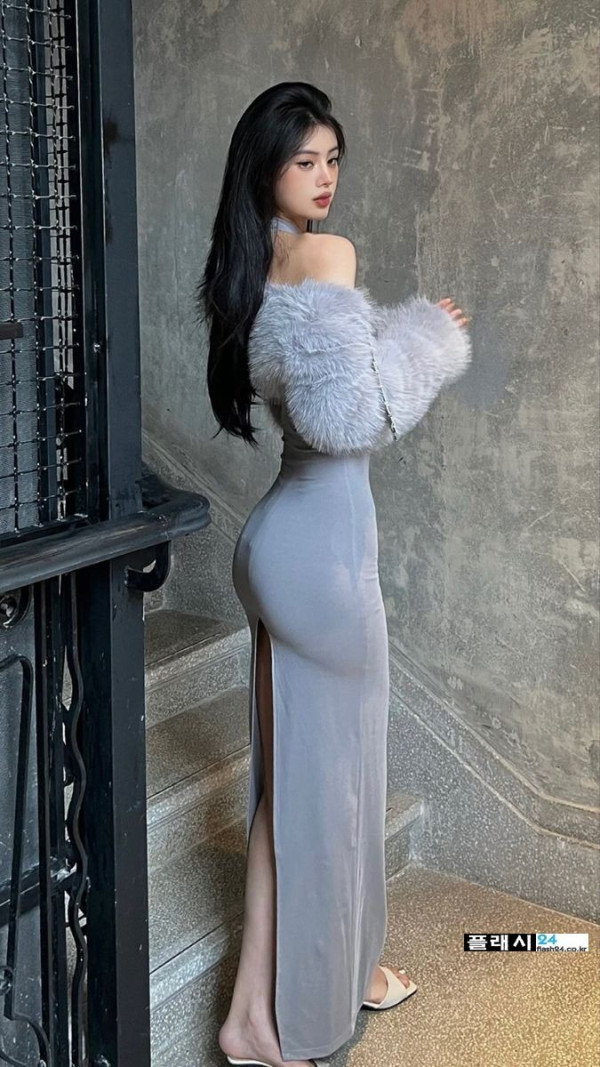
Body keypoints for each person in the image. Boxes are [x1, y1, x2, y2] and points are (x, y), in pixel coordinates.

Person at [197, 81, 472, 1067]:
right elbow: (348, 417)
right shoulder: (325, 256)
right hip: (321, 554)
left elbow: (320, 394)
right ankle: (270, 1018)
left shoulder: (253, 265)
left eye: (333, 159)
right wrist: (430, 337)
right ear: (266, 167)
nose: (325, 178)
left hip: (286, 540)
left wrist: (392, 339)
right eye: (304, 160)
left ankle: (331, 972)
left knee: (307, 789)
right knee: (330, 792)